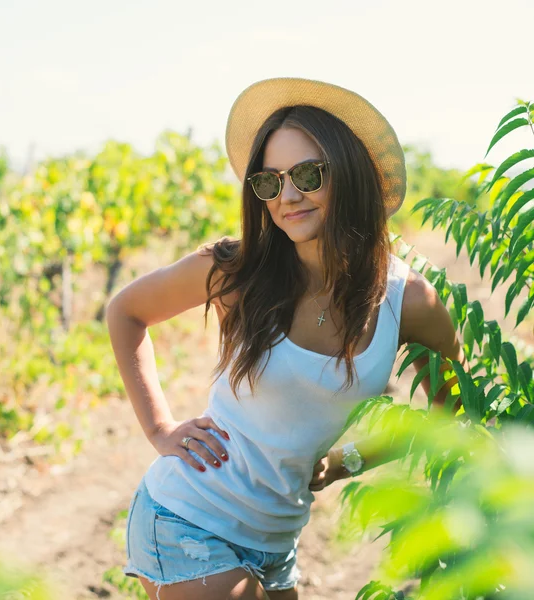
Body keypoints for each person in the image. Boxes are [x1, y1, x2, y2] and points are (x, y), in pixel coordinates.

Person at [106, 77, 464, 600]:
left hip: (277, 543)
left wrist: (346, 462)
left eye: (306, 174)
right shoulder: (238, 270)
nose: (288, 195)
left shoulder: (409, 302)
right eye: (269, 182)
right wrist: (160, 428)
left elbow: (447, 417)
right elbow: (126, 311)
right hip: (186, 518)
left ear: (350, 173)